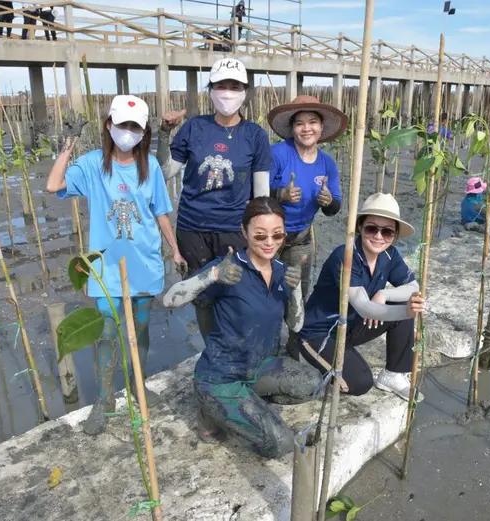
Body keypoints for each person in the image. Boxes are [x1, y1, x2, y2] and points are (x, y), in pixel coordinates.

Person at [45, 95, 184, 435]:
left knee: (141, 330)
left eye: (135, 127)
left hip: (144, 263)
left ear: (143, 131)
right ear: (109, 125)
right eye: (122, 125)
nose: (128, 131)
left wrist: (176, 250)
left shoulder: (149, 166)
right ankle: (104, 398)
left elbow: (160, 212)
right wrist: (69, 143)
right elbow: (53, 185)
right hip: (107, 267)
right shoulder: (93, 164)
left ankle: (138, 385)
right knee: (106, 332)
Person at [162, 197, 320, 458]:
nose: (269, 243)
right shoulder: (228, 268)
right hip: (220, 376)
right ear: (244, 232)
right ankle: (211, 407)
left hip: (260, 366)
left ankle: (240, 405)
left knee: (313, 384)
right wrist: (211, 275)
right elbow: (170, 299)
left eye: (277, 235)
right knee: (280, 444)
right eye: (260, 236)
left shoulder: (281, 271)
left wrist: (296, 289)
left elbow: (296, 324)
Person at [156, 58, 273, 344]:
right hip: (192, 228)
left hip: (234, 229)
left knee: (238, 293)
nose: (228, 92)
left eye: (235, 86)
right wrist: (163, 132)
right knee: (203, 296)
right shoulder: (194, 127)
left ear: (245, 91)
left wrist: (262, 235)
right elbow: (165, 171)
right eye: (221, 85)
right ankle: (212, 351)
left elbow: (261, 193)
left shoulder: (255, 135)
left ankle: (237, 350)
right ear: (211, 90)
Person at [289, 193, 426, 399]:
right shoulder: (345, 256)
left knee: (404, 300)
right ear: (360, 227)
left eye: (387, 232)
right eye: (372, 228)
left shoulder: (390, 255)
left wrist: (384, 293)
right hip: (321, 333)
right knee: (361, 383)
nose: (379, 236)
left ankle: (393, 374)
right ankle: (308, 358)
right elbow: (362, 305)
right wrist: (406, 312)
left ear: (394, 236)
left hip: (352, 327)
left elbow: (413, 285)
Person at [267, 95, 346, 301]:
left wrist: (328, 201)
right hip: (268, 235)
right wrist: (279, 195)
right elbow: (253, 194)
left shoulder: (327, 163)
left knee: (298, 294)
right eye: (299, 123)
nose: (306, 129)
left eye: (312, 122)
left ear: (321, 127)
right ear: (292, 129)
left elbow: (334, 208)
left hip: (300, 239)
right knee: (264, 289)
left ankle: (296, 333)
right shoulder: (277, 153)